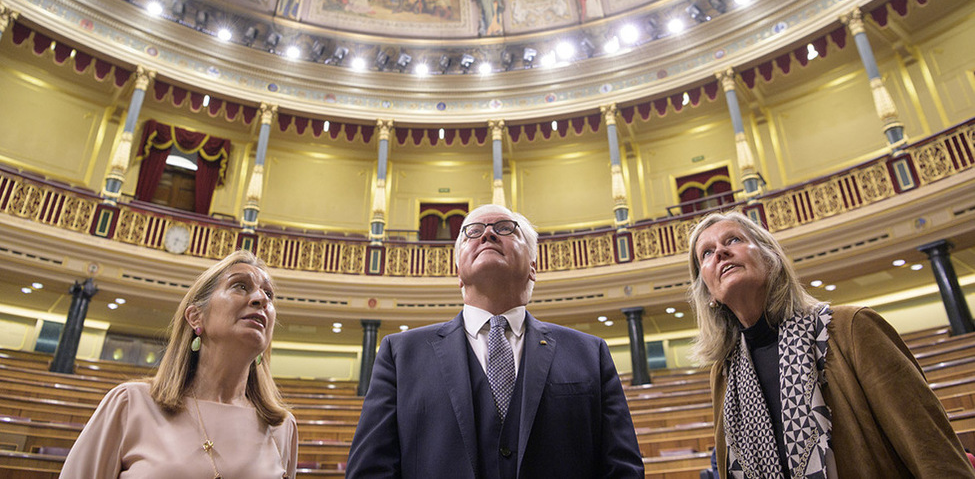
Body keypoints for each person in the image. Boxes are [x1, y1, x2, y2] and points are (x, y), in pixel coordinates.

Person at [346, 204, 644, 478]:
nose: (487, 233)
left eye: (505, 228)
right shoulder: (400, 355)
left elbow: (621, 469)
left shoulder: (589, 354)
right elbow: (370, 471)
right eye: (472, 232)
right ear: (458, 273)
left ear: (532, 267)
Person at [687, 211, 975, 478]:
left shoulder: (852, 328)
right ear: (709, 292)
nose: (721, 252)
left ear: (770, 257)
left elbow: (932, 451)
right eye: (707, 253)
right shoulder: (724, 372)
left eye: (733, 240)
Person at [60, 250, 298, 478]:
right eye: (240, 286)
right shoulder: (130, 404)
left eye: (269, 294)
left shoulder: (282, 427)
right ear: (196, 317)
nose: (260, 299)